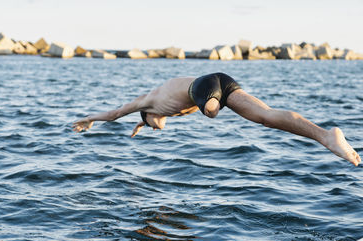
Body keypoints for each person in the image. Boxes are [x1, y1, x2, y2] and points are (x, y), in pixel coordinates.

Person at [73, 72, 361, 166]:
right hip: (219, 81)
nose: (159, 127)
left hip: (203, 88)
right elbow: (157, 120)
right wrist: (142, 123)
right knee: (266, 116)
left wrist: (90, 119)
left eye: (152, 124)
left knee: (210, 114)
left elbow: (113, 114)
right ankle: (326, 135)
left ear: (148, 114)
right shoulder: (166, 109)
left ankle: (212, 106)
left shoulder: (146, 101)